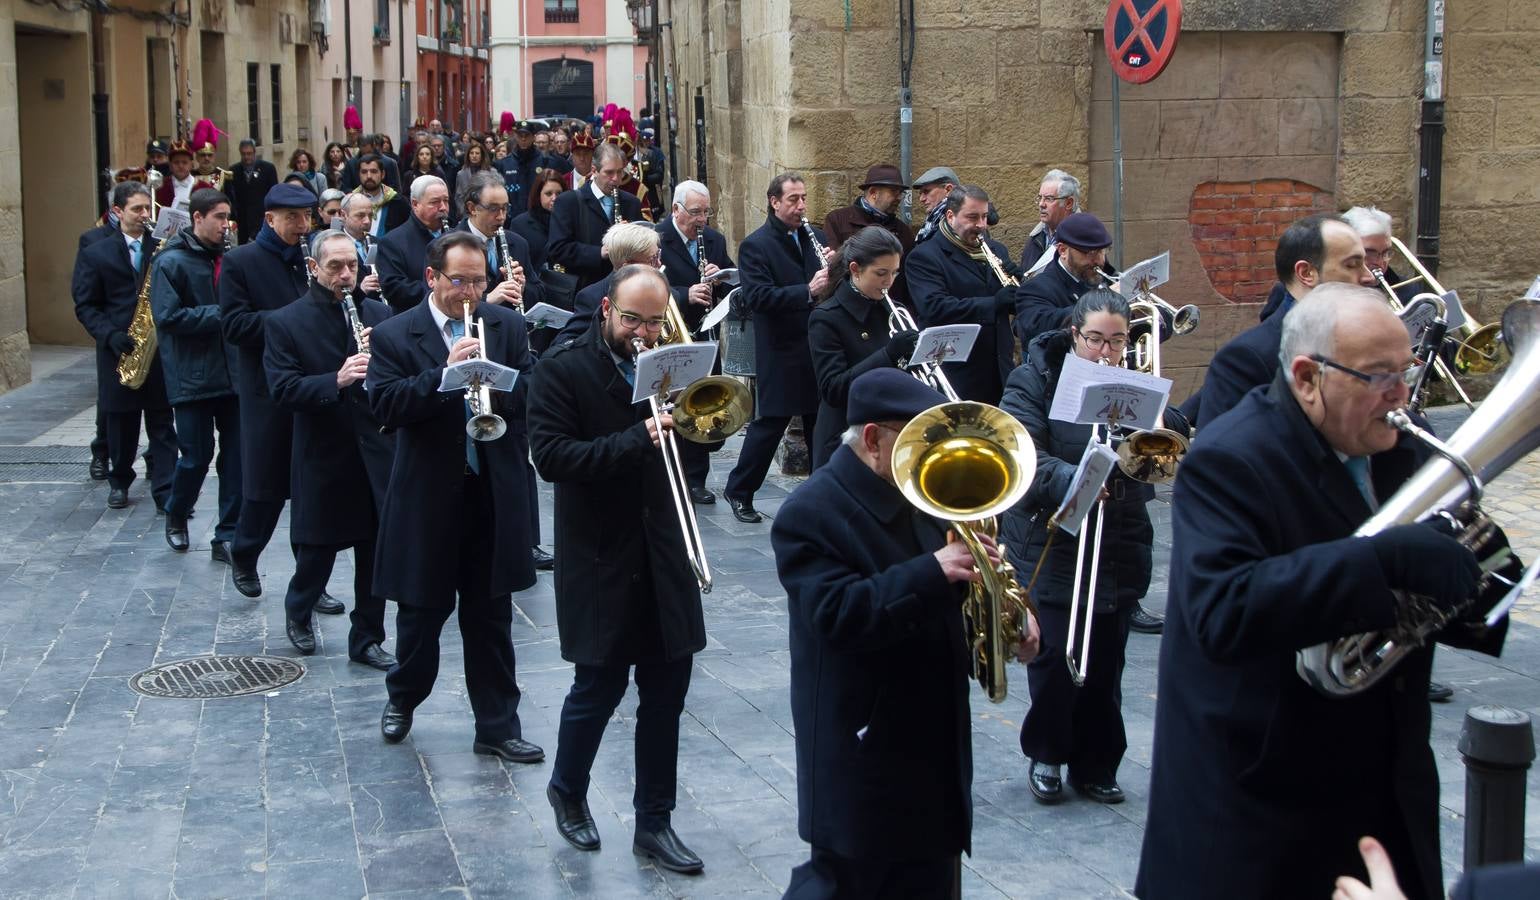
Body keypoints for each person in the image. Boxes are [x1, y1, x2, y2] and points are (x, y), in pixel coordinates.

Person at [1135, 286, 1507, 900]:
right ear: (1308, 378)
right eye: (1381, 376)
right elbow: (1222, 611)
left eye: (1408, 369)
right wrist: (1381, 559)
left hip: (1386, 781)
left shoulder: (1402, 448)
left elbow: (1441, 582)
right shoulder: (1230, 459)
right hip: (1267, 798)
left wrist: (1476, 586)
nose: (1403, 395)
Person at [772, 367, 1039, 899]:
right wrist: (935, 571)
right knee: (848, 883)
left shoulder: (920, 493)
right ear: (874, 439)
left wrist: (1007, 615)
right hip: (863, 751)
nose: (931, 455)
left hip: (932, 746)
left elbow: (957, 589)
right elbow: (837, 615)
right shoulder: (810, 512)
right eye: (918, 439)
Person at [527, 264, 707, 875]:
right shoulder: (561, 368)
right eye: (633, 319)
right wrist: (643, 436)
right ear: (606, 308)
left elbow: (703, 437)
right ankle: (568, 789)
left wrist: (694, 419)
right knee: (597, 689)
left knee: (666, 696)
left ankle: (655, 822)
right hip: (601, 553)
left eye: (656, 321)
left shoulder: (673, 361)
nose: (645, 333)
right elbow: (552, 458)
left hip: (663, 549)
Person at [1000, 289, 1188, 805]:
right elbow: (1023, 454)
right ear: (1073, 335)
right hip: (1054, 536)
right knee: (1057, 659)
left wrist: (1164, 424)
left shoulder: (1133, 378)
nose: (1105, 352)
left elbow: (1166, 437)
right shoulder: (1033, 379)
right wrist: (1073, 476)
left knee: (1107, 663)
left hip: (1120, 536)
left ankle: (1097, 763)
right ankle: (1048, 752)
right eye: (1095, 340)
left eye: (1117, 341)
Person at [366, 231, 544, 764]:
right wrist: (444, 377)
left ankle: (497, 724)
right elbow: (385, 406)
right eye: (459, 281)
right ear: (431, 279)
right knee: (420, 616)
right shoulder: (395, 334)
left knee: (491, 620)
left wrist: (497, 381)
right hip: (427, 497)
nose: (470, 293)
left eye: (479, 281)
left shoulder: (507, 325)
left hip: (491, 492)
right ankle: (403, 697)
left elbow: (533, 395)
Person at [263, 230, 396, 670]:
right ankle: (299, 611)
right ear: (313, 269)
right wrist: (335, 380)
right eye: (335, 267)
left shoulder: (376, 311)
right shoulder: (286, 322)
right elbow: (282, 389)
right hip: (323, 452)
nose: (345, 275)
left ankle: (368, 637)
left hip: (373, 451)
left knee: (375, 555)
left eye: (352, 267)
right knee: (317, 550)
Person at [218, 183, 316, 598]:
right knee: (265, 488)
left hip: (311, 388)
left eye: (307, 216)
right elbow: (236, 326)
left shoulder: (311, 260)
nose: (302, 225)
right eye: (292, 218)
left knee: (311, 490)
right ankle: (244, 552)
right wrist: (293, 320)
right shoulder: (240, 261)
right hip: (266, 390)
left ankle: (311, 578)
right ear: (270, 219)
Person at [455, 172, 554, 570]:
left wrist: (526, 287)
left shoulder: (516, 243)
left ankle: (526, 540)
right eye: (493, 210)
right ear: (471, 209)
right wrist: (489, 297)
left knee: (518, 451)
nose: (501, 217)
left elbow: (539, 295)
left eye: (505, 209)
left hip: (511, 353)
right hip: (470, 353)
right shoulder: (452, 248)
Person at [721, 173, 831, 523]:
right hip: (781, 348)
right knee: (770, 425)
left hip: (817, 345)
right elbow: (757, 297)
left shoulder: (815, 236)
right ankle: (740, 491)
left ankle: (822, 496)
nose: (801, 206)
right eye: (794, 199)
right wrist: (807, 290)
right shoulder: (756, 245)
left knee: (821, 425)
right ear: (774, 201)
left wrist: (837, 265)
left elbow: (830, 285)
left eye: (804, 199)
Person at [1195, 213, 1368, 428]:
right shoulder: (1245, 358)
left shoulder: (1366, 340)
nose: (1369, 276)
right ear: (1306, 273)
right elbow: (1220, 454)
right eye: (1352, 265)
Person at [70, 180, 177, 513]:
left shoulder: (163, 248)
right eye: (137, 209)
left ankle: (165, 491)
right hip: (118, 350)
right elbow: (86, 304)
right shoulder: (94, 252)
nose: (145, 215)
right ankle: (119, 480)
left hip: (157, 352)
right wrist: (109, 334)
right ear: (117, 212)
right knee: (121, 424)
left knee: (162, 424)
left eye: (148, 208)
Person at [149, 188, 241, 555]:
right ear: (198, 218)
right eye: (218, 217)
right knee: (196, 456)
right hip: (192, 376)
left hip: (232, 375)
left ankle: (227, 534)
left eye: (227, 217)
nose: (225, 225)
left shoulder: (231, 259)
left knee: (236, 458)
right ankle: (176, 511)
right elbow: (167, 317)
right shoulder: (170, 263)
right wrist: (224, 315)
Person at [904, 184, 1023, 404]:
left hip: (999, 372)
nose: (981, 225)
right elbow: (934, 307)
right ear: (950, 216)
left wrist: (1020, 288)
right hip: (956, 375)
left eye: (985, 217)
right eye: (972, 217)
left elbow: (1011, 304)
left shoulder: (996, 250)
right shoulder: (925, 256)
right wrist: (993, 303)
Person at [655, 180, 735, 503]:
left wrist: (721, 277)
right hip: (668, 334)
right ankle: (670, 474)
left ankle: (697, 479)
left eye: (706, 212)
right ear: (676, 210)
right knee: (673, 404)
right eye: (696, 212)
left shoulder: (713, 240)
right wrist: (683, 294)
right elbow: (646, 281)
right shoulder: (658, 237)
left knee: (701, 403)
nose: (702, 220)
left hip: (703, 332)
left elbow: (728, 285)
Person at [806, 227, 912, 470]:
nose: (889, 282)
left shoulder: (891, 309)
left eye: (895, 273)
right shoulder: (827, 317)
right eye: (881, 273)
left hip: (889, 434)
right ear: (855, 269)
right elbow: (833, 389)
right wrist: (888, 355)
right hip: (846, 439)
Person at [547, 142, 643, 291]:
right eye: (609, 173)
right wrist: (601, 252)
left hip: (625, 288)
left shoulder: (632, 203)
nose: (616, 179)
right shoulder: (568, 202)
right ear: (594, 171)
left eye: (620, 172)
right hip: (585, 288)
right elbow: (558, 250)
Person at [550, 223, 664, 347]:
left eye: (658, 255)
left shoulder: (667, 293)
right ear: (628, 268)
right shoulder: (592, 296)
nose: (659, 263)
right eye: (652, 259)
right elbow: (565, 343)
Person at [822, 165, 916, 310]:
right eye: (893, 192)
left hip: (888, 310)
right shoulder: (837, 220)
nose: (899, 198)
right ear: (873, 192)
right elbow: (834, 267)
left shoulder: (903, 231)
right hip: (848, 307)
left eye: (900, 193)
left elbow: (906, 280)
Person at [1013, 211, 1112, 348]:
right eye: (1090, 253)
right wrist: (1104, 303)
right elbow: (1036, 329)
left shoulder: (1108, 278)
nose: (1099, 260)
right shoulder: (1034, 289)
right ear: (1063, 250)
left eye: (1102, 251)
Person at [376, 175, 451, 314]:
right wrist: (443, 289)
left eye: (446, 201)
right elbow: (394, 289)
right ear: (415, 204)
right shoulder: (392, 242)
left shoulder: (456, 236)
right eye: (435, 202)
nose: (443, 208)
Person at [1020, 169, 1081, 271]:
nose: (1041, 204)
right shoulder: (1035, 237)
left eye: (1049, 199)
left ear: (1069, 203)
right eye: (1040, 198)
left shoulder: (1084, 240)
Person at [509, 170, 563, 275]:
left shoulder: (572, 221)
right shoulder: (520, 224)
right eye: (548, 194)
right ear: (538, 195)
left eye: (559, 193)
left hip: (568, 286)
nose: (554, 198)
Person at [493, 120, 550, 214]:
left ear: (533, 137)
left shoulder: (544, 161)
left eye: (527, 136)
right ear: (516, 137)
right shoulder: (504, 164)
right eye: (520, 136)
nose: (523, 139)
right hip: (513, 216)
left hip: (538, 215)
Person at [350, 154, 411, 240]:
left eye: (374, 171)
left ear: (382, 174)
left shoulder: (398, 201)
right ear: (358, 175)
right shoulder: (350, 201)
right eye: (364, 172)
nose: (369, 176)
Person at [910, 166, 960, 245]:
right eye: (920, 194)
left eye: (926, 191)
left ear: (948, 190)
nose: (921, 199)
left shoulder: (956, 222)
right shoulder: (936, 220)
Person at [156, 141, 201, 211]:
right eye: (176, 162)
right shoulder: (160, 187)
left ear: (191, 165)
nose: (180, 166)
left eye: (184, 162)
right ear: (170, 166)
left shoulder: (203, 187)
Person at [453, 142, 495, 216]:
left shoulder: (491, 172)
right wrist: (464, 213)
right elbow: (459, 197)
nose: (474, 156)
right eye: (471, 153)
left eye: (477, 153)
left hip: (487, 212)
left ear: (482, 155)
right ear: (468, 155)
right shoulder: (461, 174)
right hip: (467, 213)